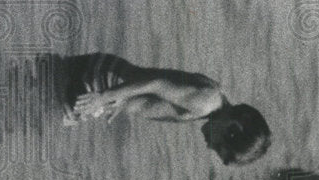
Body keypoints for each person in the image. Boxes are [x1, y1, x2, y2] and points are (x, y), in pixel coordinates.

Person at [56, 52, 270, 166]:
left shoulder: (213, 99)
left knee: (43, 80)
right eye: (218, 146)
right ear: (231, 127)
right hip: (102, 82)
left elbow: (154, 91)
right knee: (39, 112)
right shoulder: (206, 103)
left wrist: (121, 101)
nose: (210, 147)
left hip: (107, 74)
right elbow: (156, 83)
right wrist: (104, 97)